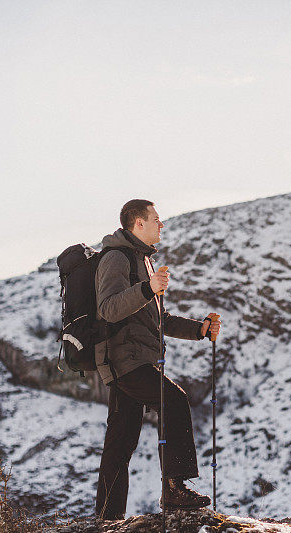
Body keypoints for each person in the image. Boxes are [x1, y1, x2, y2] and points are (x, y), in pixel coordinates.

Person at [94, 199, 221, 520]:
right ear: (138, 224)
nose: (161, 225)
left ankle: (107, 519)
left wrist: (200, 330)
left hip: (133, 358)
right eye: (156, 220)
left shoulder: (142, 261)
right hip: (125, 358)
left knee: (120, 444)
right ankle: (175, 490)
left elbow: (159, 318)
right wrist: (147, 289)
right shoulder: (116, 258)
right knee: (174, 401)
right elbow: (108, 309)